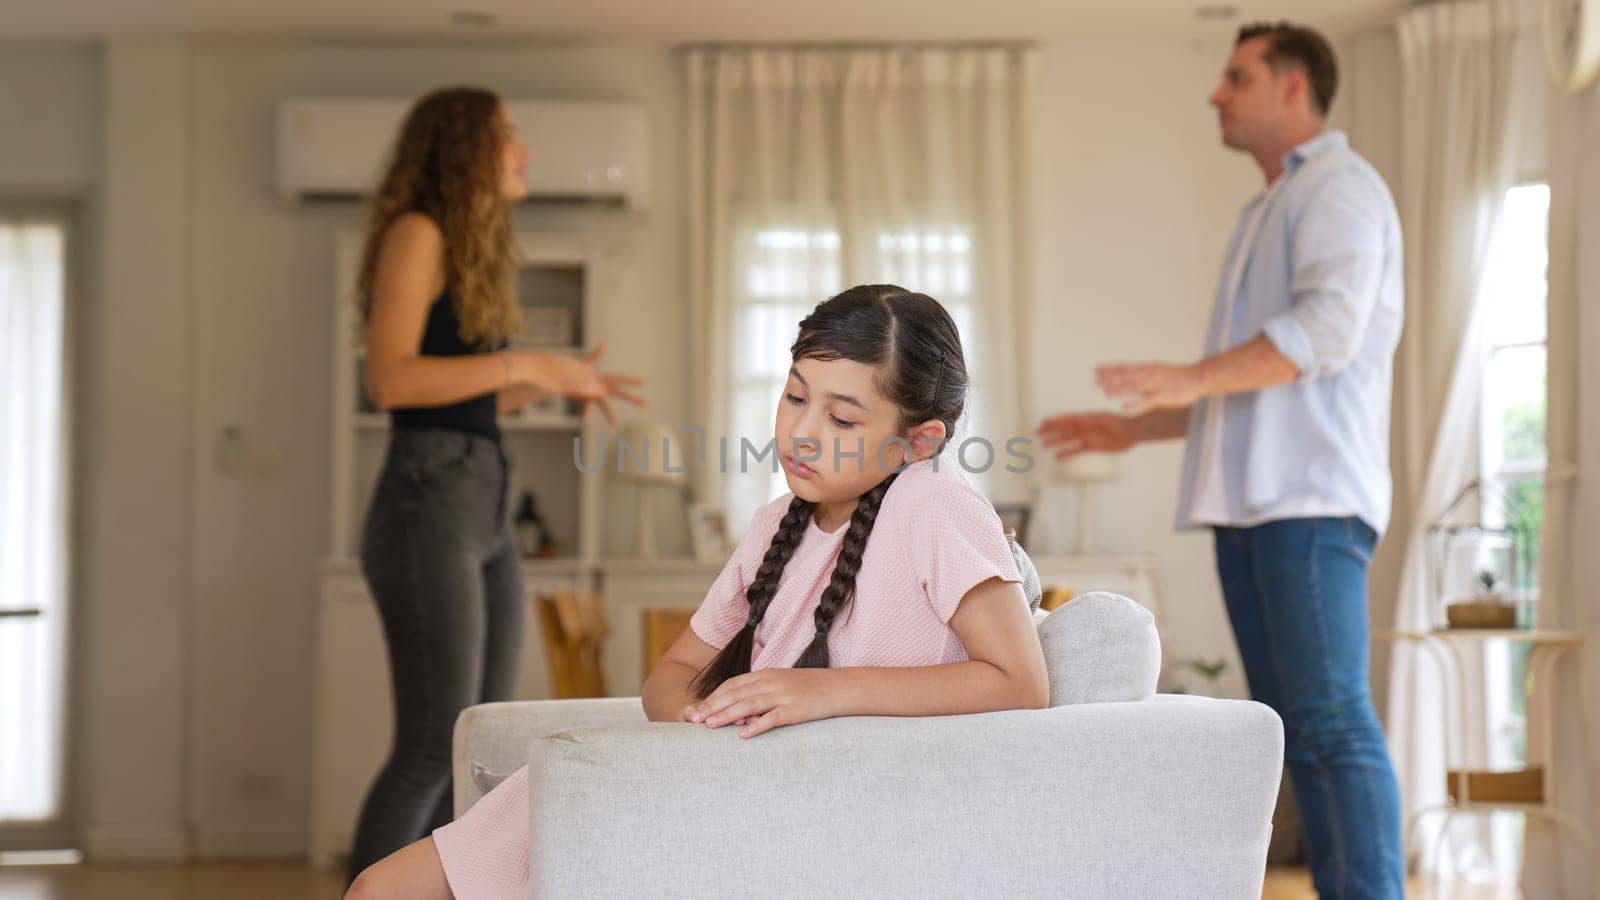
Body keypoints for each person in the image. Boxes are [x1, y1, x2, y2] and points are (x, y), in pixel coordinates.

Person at [345, 284, 1050, 900]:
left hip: (782, 811)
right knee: (378, 887)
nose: (800, 433)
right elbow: (670, 676)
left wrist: (822, 691)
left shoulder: (934, 506)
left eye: (841, 419)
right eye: (795, 395)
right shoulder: (777, 524)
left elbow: (1020, 680)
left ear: (918, 442)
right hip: (707, 783)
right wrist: (702, 727)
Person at [1039, 22, 1403, 899]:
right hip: (1253, 510)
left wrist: (1184, 377)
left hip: (1308, 505)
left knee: (1332, 721)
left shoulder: (1341, 191)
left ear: (1293, 88)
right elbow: (1252, 390)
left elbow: (1322, 335)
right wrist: (1140, 429)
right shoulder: (1266, 209)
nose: (1216, 93)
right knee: (1292, 728)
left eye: (1236, 77)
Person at [348, 86, 644, 882]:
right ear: (464, 149)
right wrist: (528, 364)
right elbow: (391, 379)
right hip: (427, 494)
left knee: (475, 737)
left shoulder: (469, 246)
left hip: (479, 491)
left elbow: (471, 396)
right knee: (428, 743)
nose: (526, 151)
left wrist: (557, 381)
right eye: (509, 135)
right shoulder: (417, 232)